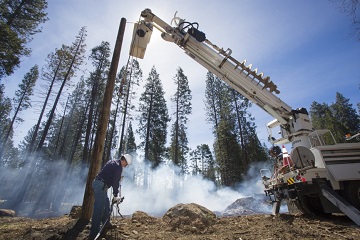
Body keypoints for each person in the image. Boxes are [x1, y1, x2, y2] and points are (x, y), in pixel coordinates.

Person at [88, 154, 132, 240]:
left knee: (107, 205)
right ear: (124, 161)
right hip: (101, 185)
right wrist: (116, 194)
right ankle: (94, 235)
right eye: (126, 165)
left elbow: (109, 175)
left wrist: (117, 177)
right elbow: (115, 182)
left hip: (99, 184)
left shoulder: (113, 162)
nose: (125, 166)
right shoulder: (119, 166)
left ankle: (106, 224)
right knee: (99, 209)